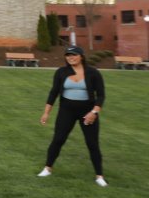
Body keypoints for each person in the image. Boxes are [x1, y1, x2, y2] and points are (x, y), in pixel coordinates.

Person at [38, 45, 107, 187]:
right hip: (66, 111)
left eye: (74, 55)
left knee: (92, 143)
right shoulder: (61, 72)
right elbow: (54, 93)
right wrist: (46, 112)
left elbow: (100, 95)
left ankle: (99, 176)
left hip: (87, 112)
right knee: (58, 139)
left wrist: (94, 112)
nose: (70, 57)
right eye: (68, 55)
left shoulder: (93, 73)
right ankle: (47, 168)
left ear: (81, 56)